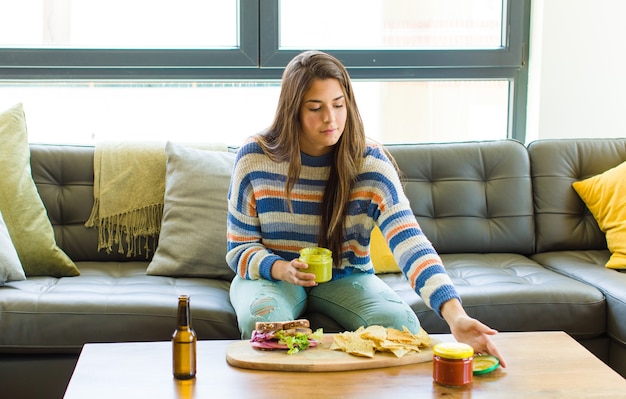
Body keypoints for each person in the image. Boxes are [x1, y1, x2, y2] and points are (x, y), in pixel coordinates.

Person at [226, 50, 506, 366]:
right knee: (266, 331)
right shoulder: (255, 158)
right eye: (315, 108)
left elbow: (410, 243)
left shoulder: (370, 163)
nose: (330, 118)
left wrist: (455, 316)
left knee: (403, 328)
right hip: (272, 277)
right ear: (292, 111)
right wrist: (280, 268)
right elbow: (239, 248)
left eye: (338, 105)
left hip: (347, 276)